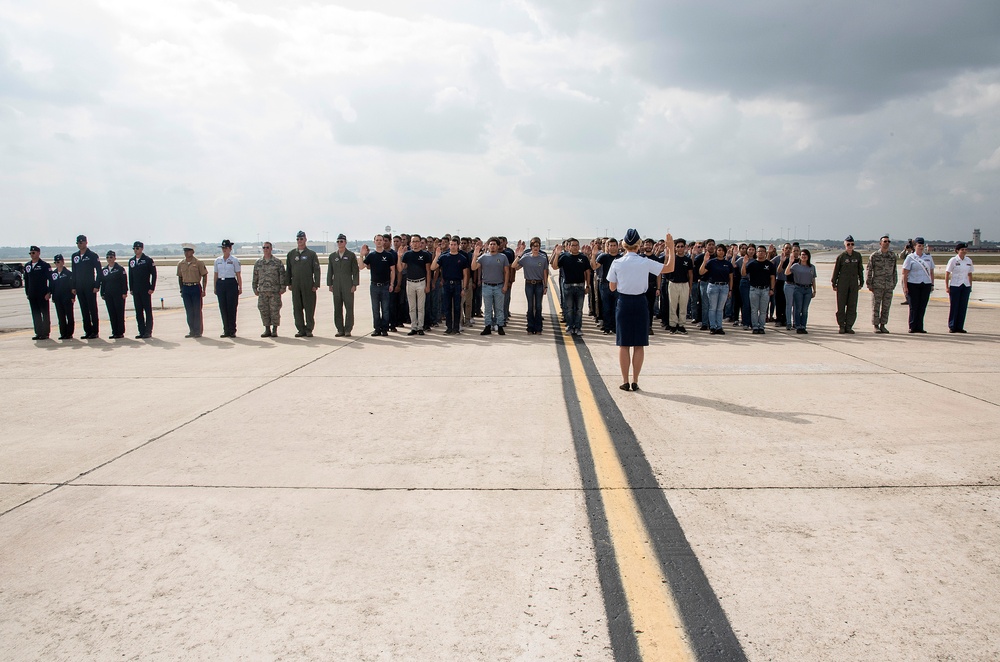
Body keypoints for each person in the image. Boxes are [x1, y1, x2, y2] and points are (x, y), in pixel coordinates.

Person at [607, 229, 675, 391]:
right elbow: (669, 267)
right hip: (640, 302)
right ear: (638, 245)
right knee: (639, 344)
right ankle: (635, 380)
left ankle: (625, 380)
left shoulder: (617, 262)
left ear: (623, 245)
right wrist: (670, 248)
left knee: (624, 344)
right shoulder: (645, 262)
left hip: (623, 302)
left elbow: (611, 287)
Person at [550, 238, 590, 336]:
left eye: (576, 245)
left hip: (580, 286)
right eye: (573, 245)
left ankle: (578, 328)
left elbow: (587, 272)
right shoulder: (564, 256)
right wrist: (557, 254)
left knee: (579, 309)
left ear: (579, 246)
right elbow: (555, 267)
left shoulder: (583, 258)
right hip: (568, 286)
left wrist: (588, 285)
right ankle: (570, 327)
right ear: (569, 247)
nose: (575, 247)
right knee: (569, 308)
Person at [431, 236, 471, 335]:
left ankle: (456, 328)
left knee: (457, 307)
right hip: (446, 284)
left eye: (455, 245)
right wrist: (437, 256)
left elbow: (466, 274)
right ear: (449, 245)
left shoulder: (462, 258)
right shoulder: (444, 257)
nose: (453, 246)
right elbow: (433, 267)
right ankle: (449, 328)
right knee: (447, 307)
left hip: (457, 284)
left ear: (458, 246)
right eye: (451, 245)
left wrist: (464, 288)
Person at [286, 231, 321, 337]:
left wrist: (316, 284)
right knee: (297, 307)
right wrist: (288, 283)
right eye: (298, 239)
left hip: (308, 284)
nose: (299, 241)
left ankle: (309, 329)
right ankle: (300, 329)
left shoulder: (311, 254)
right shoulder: (291, 254)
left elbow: (316, 270)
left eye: (301, 239)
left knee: (309, 307)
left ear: (305, 239)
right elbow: (288, 270)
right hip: (296, 284)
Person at [472, 238, 510, 335]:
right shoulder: (484, 257)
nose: (492, 246)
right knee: (487, 308)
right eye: (491, 244)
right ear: (488, 246)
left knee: (499, 308)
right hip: (487, 286)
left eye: (494, 244)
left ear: (498, 246)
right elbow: (473, 267)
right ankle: (487, 326)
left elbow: (506, 272)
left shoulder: (503, 257)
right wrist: (475, 256)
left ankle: (500, 326)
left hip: (499, 286)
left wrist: (505, 285)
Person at [359, 235, 396, 336]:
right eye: (377, 240)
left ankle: (384, 329)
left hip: (385, 286)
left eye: (381, 240)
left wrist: (392, 284)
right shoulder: (371, 255)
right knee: (375, 309)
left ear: (384, 242)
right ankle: (377, 328)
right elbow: (361, 267)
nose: (379, 242)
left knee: (385, 309)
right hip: (374, 286)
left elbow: (393, 271)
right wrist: (361, 255)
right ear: (374, 242)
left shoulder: (388, 256)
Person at [512, 237, 549, 334]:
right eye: (534, 246)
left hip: (539, 284)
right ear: (531, 247)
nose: (535, 248)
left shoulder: (543, 258)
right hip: (529, 284)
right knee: (530, 306)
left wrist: (545, 286)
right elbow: (514, 266)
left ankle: (538, 328)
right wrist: (519, 256)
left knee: (538, 306)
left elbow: (545, 273)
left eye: (537, 246)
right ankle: (530, 327)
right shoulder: (526, 257)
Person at [327, 233, 359, 337]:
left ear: (345, 242)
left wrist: (355, 284)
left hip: (348, 284)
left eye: (341, 241)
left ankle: (348, 329)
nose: (339, 243)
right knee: (337, 308)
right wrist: (329, 284)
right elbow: (330, 271)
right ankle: (340, 329)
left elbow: (355, 271)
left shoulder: (350, 255)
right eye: (338, 241)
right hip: (336, 285)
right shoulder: (332, 256)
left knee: (349, 308)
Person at [400, 235, 433, 335]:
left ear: (420, 243)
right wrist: (399, 256)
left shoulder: (425, 255)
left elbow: (428, 271)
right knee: (412, 307)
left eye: (417, 241)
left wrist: (427, 285)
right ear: (411, 243)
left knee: (421, 307)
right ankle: (413, 327)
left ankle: (420, 327)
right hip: (410, 282)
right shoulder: (407, 255)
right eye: (413, 241)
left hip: (421, 282)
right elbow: (401, 268)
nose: (415, 243)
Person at [831, 235, 864, 334]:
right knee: (841, 306)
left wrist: (861, 282)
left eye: (852, 244)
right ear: (845, 245)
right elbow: (836, 270)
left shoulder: (857, 256)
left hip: (853, 284)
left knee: (852, 306)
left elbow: (860, 270)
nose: (850, 246)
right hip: (842, 284)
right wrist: (834, 283)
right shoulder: (841, 257)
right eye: (848, 244)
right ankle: (841, 325)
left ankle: (849, 326)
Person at [252, 242, 286, 337]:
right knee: (263, 310)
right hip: (262, 291)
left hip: (274, 291)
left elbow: (282, 276)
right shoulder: (258, 263)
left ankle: (274, 329)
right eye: (264, 247)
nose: (265, 249)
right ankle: (267, 329)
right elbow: (255, 276)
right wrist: (254, 287)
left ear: (271, 249)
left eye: (267, 247)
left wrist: (283, 287)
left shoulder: (277, 262)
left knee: (275, 310)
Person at [71, 234, 101, 339]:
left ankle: (95, 331)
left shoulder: (92, 255)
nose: (80, 244)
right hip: (79, 287)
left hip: (90, 287)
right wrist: (73, 287)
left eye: (81, 242)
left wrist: (97, 285)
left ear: (86, 242)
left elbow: (99, 271)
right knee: (84, 309)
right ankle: (87, 331)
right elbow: (74, 272)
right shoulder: (74, 256)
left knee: (92, 309)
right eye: (78, 242)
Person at [901, 236, 934, 333]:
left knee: (922, 306)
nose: (921, 247)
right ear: (915, 246)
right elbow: (905, 273)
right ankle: (912, 326)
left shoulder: (928, 257)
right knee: (913, 306)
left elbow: (931, 272)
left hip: (925, 284)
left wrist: (932, 284)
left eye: (922, 246)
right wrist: (905, 287)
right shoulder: (910, 258)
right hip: (913, 284)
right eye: (919, 245)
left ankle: (920, 327)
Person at [866, 234, 898, 333]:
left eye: (888, 241)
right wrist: (869, 284)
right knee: (876, 305)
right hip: (877, 285)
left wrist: (894, 283)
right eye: (885, 241)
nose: (887, 243)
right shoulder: (875, 256)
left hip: (888, 285)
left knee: (886, 306)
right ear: (880, 243)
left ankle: (883, 325)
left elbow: (894, 271)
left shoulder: (892, 256)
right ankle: (876, 325)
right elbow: (869, 270)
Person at [698, 243, 733, 335]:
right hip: (713, 286)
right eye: (719, 250)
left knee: (720, 309)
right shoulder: (711, 262)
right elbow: (701, 272)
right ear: (716, 251)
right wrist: (705, 261)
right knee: (712, 308)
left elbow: (731, 278)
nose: (721, 252)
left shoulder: (728, 264)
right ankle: (712, 327)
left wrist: (730, 290)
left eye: (722, 250)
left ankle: (719, 327)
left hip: (724, 287)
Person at [177, 243, 208, 338]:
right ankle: (192, 330)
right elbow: (180, 277)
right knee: (189, 311)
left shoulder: (198, 263)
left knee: (197, 310)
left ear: (192, 252)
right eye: (185, 251)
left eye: (188, 251)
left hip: (195, 287)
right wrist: (181, 290)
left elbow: (204, 275)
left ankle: (198, 331)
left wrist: (203, 289)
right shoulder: (181, 263)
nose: (186, 253)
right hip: (186, 288)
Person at [742, 244, 775, 334]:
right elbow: (744, 273)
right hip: (754, 289)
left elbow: (772, 277)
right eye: (759, 251)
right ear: (756, 253)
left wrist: (772, 289)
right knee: (754, 310)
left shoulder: (769, 264)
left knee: (763, 310)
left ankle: (761, 327)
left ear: (765, 253)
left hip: (765, 290)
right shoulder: (752, 264)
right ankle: (755, 326)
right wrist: (744, 264)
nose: (760, 253)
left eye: (762, 251)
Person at [592, 238, 622, 335]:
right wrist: (593, 255)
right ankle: (607, 327)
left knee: (616, 307)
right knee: (606, 307)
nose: (612, 247)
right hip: (605, 284)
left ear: (617, 246)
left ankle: (615, 327)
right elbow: (594, 267)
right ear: (607, 247)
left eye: (614, 245)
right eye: (611, 245)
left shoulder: (621, 257)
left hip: (618, 285)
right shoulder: (603, 257)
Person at [128, 241, 157, 339]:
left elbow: (154, 274)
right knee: (138, 312)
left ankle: (148, 331)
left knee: (147, 311)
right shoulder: (132, 261)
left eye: (137, 248)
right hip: (136, 290)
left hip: (145, 289)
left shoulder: (147, 260)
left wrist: (152, 287)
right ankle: (141, 331)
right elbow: (130, 276)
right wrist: (131, 288)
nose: (136, 250)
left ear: (141, 249)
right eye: (134, 248)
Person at [214, 239, 242, 338]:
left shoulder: (234, 260)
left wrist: (240, 286)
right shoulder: (218, 260)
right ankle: (226, 330)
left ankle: (232, 330)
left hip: (231, 283)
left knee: (232, 307)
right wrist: (215, 287)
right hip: (221, 283)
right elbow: (216, 274)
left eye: (226, 248)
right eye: (223, 248)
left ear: (230, 248)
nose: (224, 250)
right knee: (223, 308)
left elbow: (238, 274)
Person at [664, 238, 693, 334]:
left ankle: (681, 325)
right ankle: (673, 325)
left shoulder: (688, 260)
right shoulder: (672, 259)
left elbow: (690, 275)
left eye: (682, 246)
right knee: (673, 305)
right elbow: (666, 269)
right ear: (675, 248)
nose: (680, 248)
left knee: (683, 305)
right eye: (678, 246)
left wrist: (690, 287)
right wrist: (667, 257)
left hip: (684, 284)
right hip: (673, 284)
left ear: (685, 248)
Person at [786, 249, 817, 334]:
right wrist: (790, 262)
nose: (804, 256)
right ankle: (798, 326)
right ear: (799, 256)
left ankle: (803, 326)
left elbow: (813, 279)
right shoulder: (796, 266)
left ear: (808, 257)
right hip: (798, 288)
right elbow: (787, 272)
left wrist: (814, 290)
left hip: (808, 289)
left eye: (805, 255)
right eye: (802, 254)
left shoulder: (812, 267)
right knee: (798, 308)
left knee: (805, 309)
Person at [24, 246, 51, 340]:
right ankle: (38, 332)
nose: (32, 255)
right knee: (35, 314)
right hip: (32, 294)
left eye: (33, 253)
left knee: (45, 314)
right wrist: (27, 293)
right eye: (30, 253)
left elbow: (50, 280)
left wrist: (49, 292)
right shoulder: (27, 266)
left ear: (38, 253)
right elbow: (26, 280)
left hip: (42, 294)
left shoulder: (44, 265)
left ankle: (45, 333)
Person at [945, 243, 974, 334]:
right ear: (957, 250)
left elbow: (969, 274)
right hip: (955, 285)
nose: (964, 251)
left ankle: (960, 326)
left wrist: (970, 286)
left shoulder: (968, 260)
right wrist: (946, 286)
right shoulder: (953, 260)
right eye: (962, 250)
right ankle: (952, 326)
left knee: (963, 307)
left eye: (965, 249)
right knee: (955, 306)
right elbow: (947, 273)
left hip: (965, 285)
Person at [100, 250, 128, 339]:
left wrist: (124, 292)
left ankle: (120, 332)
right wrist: (102, 292)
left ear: (115, 258)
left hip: (118, 294)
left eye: (111, 257)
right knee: (112, 313)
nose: (109, 259)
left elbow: (124, 281)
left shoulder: (120, 269)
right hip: (108, 295)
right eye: (107, 257)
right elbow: (103, 282)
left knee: (119, 313)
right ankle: (114, 331)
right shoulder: (104, 270)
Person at [50, 254, 76, 340]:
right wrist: (53, 296)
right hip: (58, 298)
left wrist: (73, 296)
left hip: (67, 297)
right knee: (61, 317)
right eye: (56, 262)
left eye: (59, 262)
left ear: (63, 262)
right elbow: (52, 286)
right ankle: (63, 333)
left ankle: (69, 333)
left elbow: (72, 286)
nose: (57, 264)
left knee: (69, 316)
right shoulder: (53, 274)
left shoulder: (68, 273)